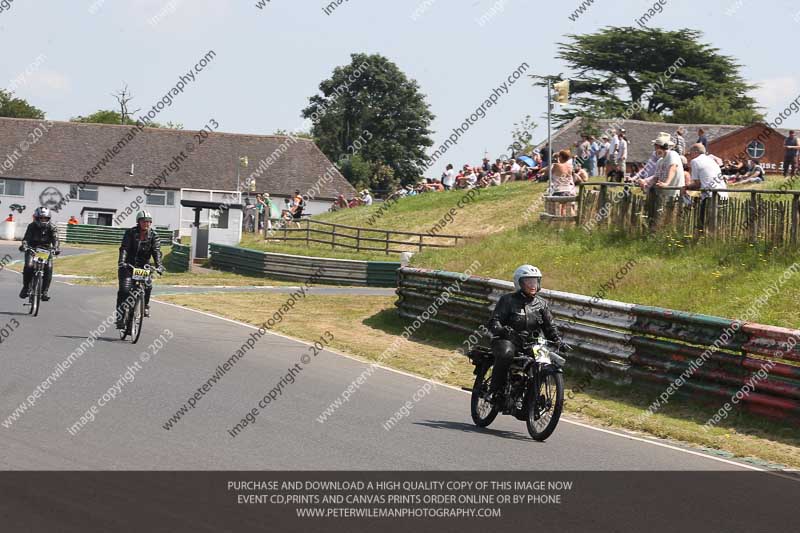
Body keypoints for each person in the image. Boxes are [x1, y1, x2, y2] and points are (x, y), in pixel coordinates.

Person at [485, 265, 563, 404]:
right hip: (507, 340)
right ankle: (494, 390)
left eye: (535, 281)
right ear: (519, 283)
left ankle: (531, 399)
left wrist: (557, 339)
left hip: (532, 343)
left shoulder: (542, 304)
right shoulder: (507, 300)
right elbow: (494, 321)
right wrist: (502, 330)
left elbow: (549, 326)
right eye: (528, 281)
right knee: (506, 354)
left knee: (544, 362)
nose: (533, 285)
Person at [116, 211, 163, 327]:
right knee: (124, 291)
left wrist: (159, 265)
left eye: (148, 221)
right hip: (128, 266)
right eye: (143, 221)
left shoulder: (154, 235)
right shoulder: (130, 233)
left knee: (148, 286)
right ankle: (120, 317)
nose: (146, 224)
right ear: (138, 222)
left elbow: (156, 251)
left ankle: (145, 305)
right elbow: (125, 248)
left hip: (143, 267)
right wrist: (122, 262)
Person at [19, 207, 61, 301]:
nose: (43, 220)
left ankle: (44, 292)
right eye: (41, 218)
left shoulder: (52, 227)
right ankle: (25, 288)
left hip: (46, 250)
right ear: (37, 218)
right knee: (29, 266)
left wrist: (56, 248)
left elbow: (56, 239)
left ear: (48, 218)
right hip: (32, 249)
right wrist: (25, 245)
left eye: (45, 218)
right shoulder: (31, 226)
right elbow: (26, 238)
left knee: (48, 268)